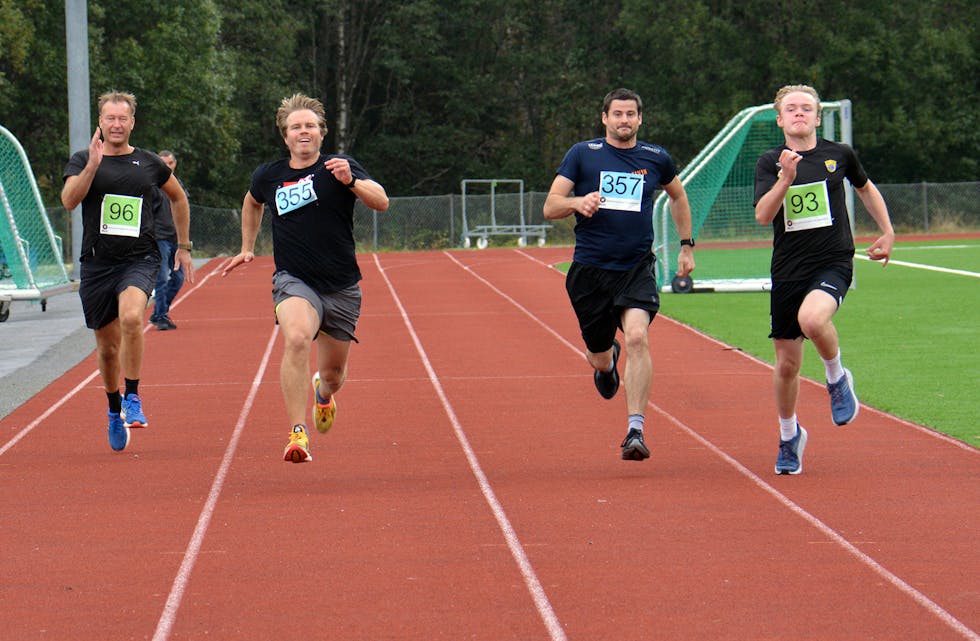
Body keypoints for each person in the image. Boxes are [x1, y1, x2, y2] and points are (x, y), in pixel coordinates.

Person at [221, 93, 389, 463]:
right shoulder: (269, 175)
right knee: (296, 338)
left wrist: (352, 182)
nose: (303, 132)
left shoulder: (339, 166)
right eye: (296, 127)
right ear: (285, 136)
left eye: (310, 126)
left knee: (334, 374)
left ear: (321, 133)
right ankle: (298, 432)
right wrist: (248, 246)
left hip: (342, 286)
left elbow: (381, 201)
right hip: (294, 281)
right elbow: (252, 202)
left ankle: (323, 393)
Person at [543, 87, 695, 462]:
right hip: (590, 272)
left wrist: (687, 244)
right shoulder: (582, 155)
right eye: (618, 114)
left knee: (638, 338)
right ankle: (606, 361)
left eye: (631, 114)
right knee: (598, 356)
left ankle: (635, 430)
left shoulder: (657, 158)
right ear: (605, 118)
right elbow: (550, 206)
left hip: (635, 267)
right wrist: (578, 201)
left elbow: (678, 196)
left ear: (640, 119)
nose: (624, 120)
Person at [754, 84, 894, 475]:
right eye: (791, 109)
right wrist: (786, 177)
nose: (799, 114)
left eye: (806, 108)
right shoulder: (769, 162)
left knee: (813, 320)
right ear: (780, 119)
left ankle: (836, 378)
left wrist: (887, 231)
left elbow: (865, 189)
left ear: (817, 117)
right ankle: (789, 437)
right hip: (787, 270)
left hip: (833, 261)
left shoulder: (839, 154)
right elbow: (764, 216)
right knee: (786, 365)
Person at [62, 91, 194, 452]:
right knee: (106, 350)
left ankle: (133, 395)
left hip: (139, 259)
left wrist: (183, 247)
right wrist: (92, 164)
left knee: (133, 317)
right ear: (100, 122)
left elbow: (178, 197)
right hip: (97, 263)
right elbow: (70, 200)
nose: (117, 125)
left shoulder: (149, 163)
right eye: (110, 119)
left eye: (123, 118)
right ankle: (113, 408)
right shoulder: (82, 159)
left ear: (132, 122)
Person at [148, 150, 188, 331]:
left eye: (170, 163)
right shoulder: (152, 186)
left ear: (175, 163)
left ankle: (158, 312)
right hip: (159, 238)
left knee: (179, 278)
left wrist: (185, 241)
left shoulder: (179, 185)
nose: (167, 166)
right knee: (162, 278)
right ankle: (161, 315)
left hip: (176, 239)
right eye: (163, 163)